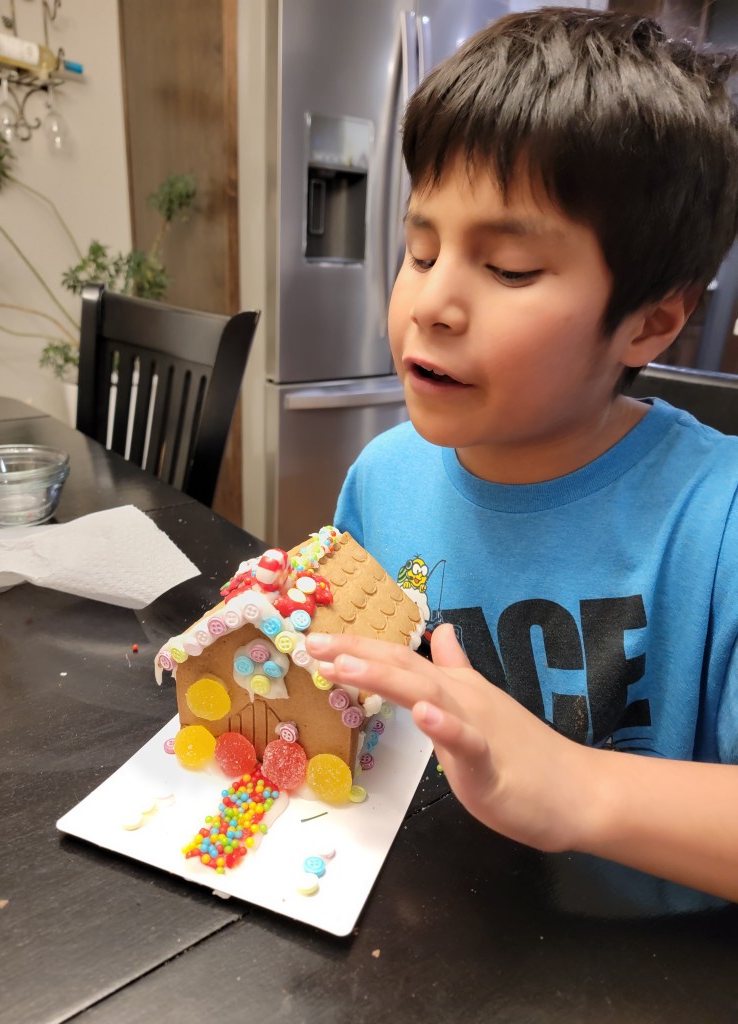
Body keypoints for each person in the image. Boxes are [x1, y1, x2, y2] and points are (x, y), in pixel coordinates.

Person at [304, 6, 738, 902]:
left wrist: (575, 785)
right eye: (419, 250)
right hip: (424, 930)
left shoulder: (718, 521)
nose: (432, 303)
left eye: (507, 269)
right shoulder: (380, 481)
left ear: (653, 320)